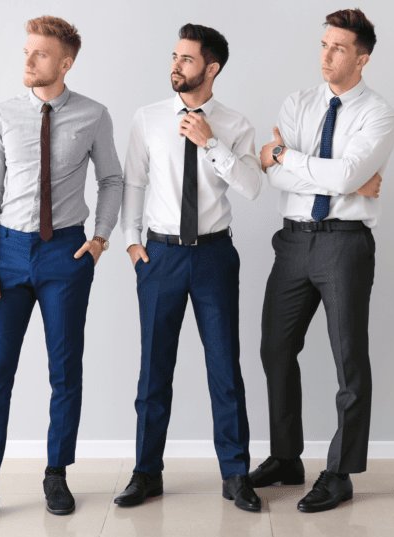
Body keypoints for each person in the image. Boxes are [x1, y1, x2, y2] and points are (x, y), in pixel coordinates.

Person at [0, 15, 124, 529]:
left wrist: (100, 239)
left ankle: (56, 473)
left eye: (40, 55)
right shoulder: (2, 114)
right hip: (7, 253)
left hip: (65, 255)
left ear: (65, 63)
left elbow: (112, 178)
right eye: (26, 52)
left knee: (65, 370)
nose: (27, 61)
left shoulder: (93, 115)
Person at [250, 8, 394, 513]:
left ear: (362, 58)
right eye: (323, 44)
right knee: (275, 348)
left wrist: (286, 157)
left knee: (348, 358)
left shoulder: (378, 114)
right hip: (293, 241)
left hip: (344, 243)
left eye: (338, 47)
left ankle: (339, 473)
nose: (326, 54)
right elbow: (274, 177)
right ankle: (286, 457)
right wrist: (341, 177)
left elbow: (316, 170)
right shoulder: (298, 102)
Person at [117, 23, 263, 512]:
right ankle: (145, 473)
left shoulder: (236, 124)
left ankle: (236, 475)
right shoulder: (148, 118)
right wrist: (132, 243)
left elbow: (252, 186)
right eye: (174, 56)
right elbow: (133, 182)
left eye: (186, 59)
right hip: (160, 256)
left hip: (213, 256)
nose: (175, 65)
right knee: (154, 370)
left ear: (211, 68)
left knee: (225, 368)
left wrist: (210, 142)